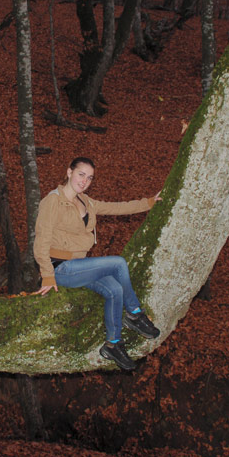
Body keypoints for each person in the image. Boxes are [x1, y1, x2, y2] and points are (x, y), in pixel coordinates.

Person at [34, 156, 161, 371]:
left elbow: (116, 208)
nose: (84, 181)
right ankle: (134, 313)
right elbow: (40, 242)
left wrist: (148, 203)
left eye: (90, 178)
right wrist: (47, 275)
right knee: (118, 264)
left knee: (114, 289)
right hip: (61, 268)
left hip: (79, 266)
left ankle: (113, 344)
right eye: (81, 174)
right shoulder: (52, 201)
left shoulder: (86, 201)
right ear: (69, 172)